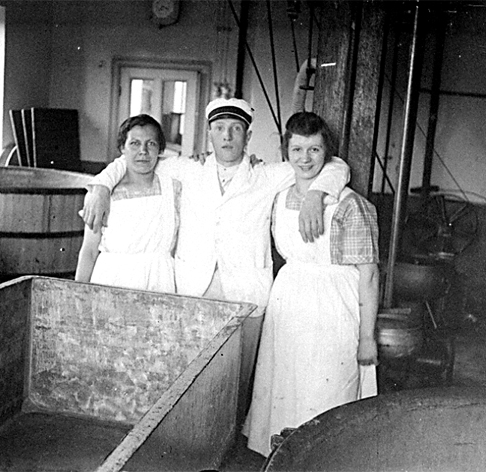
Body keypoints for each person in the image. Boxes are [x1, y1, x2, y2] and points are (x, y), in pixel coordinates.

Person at [81, 98, 351, 426]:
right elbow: (130, 158)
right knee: (188, 375)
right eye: (220, 128)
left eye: (236, 129)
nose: (227, 136)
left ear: (248, 136)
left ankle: (229, 439)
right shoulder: (186, 168)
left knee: (239, 381)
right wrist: (100, 186)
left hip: (247, 291)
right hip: (194, 286)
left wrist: (316, 194)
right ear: (209, 133)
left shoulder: (267, 175)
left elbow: (335, 165)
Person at [243, 111, 379, 457]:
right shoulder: (279, 196)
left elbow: (369, 275)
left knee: (327, 389)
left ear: (327, 152)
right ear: (286, 152)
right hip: (289, 302)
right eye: (297, 149)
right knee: (286, 387)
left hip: (334, 306)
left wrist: (367, 337)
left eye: (314, 150)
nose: (305, 159)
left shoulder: (350, 204)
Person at [75, 114, 180, 293]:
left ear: (160, 149)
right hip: (112, 279)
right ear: (122, 148)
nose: (143, 151)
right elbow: (89, 251)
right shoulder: (102, 195)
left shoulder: (173, 189)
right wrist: (77, 294)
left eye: (151, 144)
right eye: (134, 143)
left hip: (159, 280)